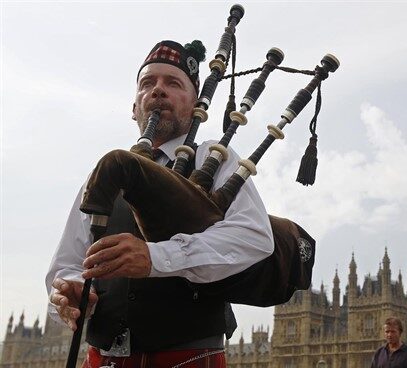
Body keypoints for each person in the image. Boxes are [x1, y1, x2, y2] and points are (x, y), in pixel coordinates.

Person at [45, 40, 274, 368]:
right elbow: (66, 266)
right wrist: (70, 294)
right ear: (134, 107)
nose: (158, 90)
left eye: (173, 83)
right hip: (101, 359)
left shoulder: (212, 158)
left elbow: (255, 236)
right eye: (148, 83)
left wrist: (155, 258)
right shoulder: (103, 177)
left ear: (196, 105)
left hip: (187, 358)